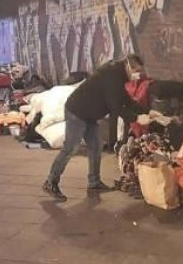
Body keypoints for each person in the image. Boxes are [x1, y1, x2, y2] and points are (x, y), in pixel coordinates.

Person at [43, 54, 153, 202]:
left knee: (95, 146)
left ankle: (94, 182)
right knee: (70, 148)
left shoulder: (118, 76)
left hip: (89, 114)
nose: (138, 75)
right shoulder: (112, 76)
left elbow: (125, 99)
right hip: (77, 111)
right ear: (129, 67)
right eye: (136, 71)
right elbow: (116, 107)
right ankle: (51, 182)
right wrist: (137, 118)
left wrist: (146, 112)